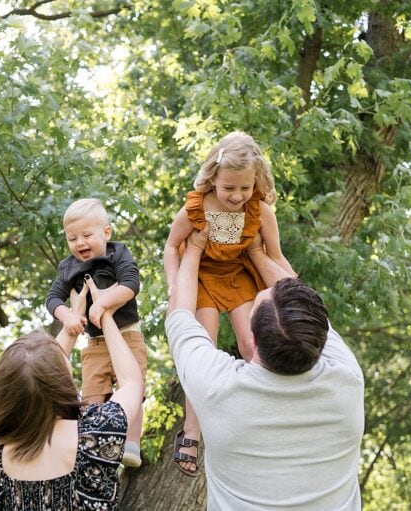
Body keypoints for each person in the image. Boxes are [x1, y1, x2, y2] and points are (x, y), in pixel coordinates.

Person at [165, 227, 365, 510]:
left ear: (251, 340)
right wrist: (257, 252)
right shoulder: (346, 380)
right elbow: (305, 310)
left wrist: (195, 248)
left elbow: (180, 312)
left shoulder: (217, 386)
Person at [163, 131, 295, 475]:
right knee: (201, 350)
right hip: (203, 277)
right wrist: (173, 285)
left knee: (252, 344)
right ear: (213, 179)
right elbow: (170, 247)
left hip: (240, 278)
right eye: (229, 188)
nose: (237, 196)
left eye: (245, 188)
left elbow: (275, 255)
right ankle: (192, 430)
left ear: (256, 182)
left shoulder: (261, 211)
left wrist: (296, 294)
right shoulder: (195, 208)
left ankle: (263, 415)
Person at [0, 277, 144, 511]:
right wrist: (104, 314)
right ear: (61, 384)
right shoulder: (95, 436)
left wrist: (73, 319)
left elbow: (33, 377)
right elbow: (132, 382)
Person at [45, 198, 147, 468]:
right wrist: (67, 314)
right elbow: (53, 298)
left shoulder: (118, 253)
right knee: (91, 394)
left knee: (133, 388)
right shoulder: (68, 267)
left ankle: (131, 443)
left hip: (126, 334)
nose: (80, 243)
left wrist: (103, 302)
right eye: (72, 238)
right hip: (94, 341)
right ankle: (91, 442)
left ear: (106, 232)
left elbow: (131, 283)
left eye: (87, 235)